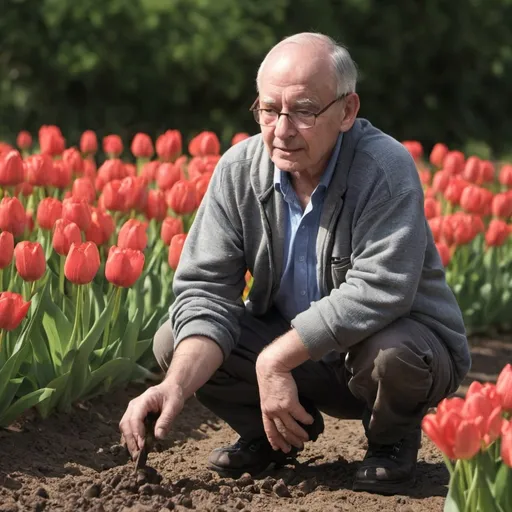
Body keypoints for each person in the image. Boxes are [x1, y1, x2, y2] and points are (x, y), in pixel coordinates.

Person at [120, 32, 471, 495]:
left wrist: (274, 359)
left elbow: (381, 289)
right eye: (269, 110)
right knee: (176, 339)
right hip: (297, 355)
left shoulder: (383, 167)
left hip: (387, 350)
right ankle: (274, 437)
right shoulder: (239, 170)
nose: (281, 129)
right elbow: (206, 290)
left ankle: (390, 438)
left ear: (347, 112)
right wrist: (176, 387)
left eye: (304, 111)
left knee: (393, 352)